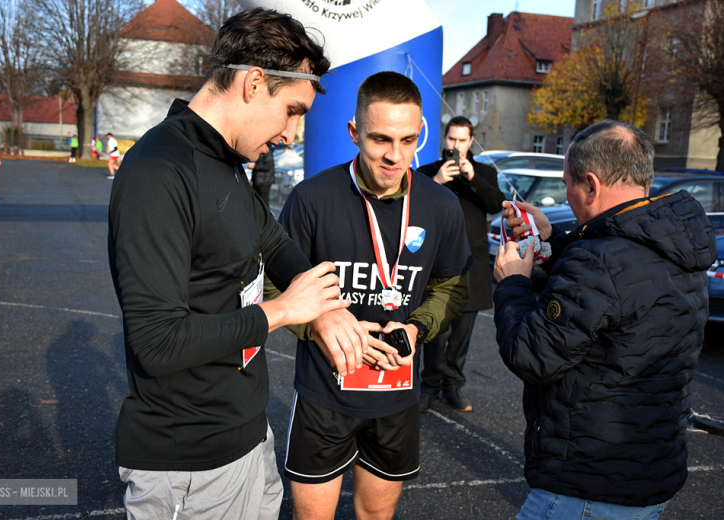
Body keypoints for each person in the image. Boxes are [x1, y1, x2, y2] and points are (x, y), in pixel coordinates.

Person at [108, 8, 370, 520]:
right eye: (293, 111)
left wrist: (324, 308)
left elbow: (273, 242)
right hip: (190, 463)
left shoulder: (225, 162)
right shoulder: (158, 174)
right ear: (253, 84)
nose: (291, 134)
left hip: (248, 437)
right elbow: (156, 343)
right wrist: (284, 311)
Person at [270, 71, 472, 520]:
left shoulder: (440, 205)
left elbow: (452, 285)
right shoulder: (312, 199)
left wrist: (418, 328)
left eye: (407, 140)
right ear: (354, 132)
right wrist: (319, 323)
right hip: (325, 395)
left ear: (421, 134)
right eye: (380, 139)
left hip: (397, 398)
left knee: (377, 515)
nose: (394, 156)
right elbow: (272, 282)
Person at [493, 120, 716, 519]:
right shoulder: (675, 244)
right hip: (649, 469)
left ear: (591, 185)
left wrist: (513, 283)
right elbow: (614, 292)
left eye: (568, 184)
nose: (566, 194)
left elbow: (530, 354)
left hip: (590, 483)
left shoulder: (598, 260)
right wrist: (550, 241)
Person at [417, 116, 504, 413]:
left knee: (462, 335)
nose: (456, 146)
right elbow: (412, 205)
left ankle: (453, 387)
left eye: (462, 140)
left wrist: (472, 177)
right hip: (436, 265)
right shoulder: (427, 172)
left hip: (472, 265)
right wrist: (438, 181)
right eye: (452, 139)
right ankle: (428, 387)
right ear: (444, 139)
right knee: (434, 333)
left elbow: (496, 204)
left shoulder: (484, 172)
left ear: (471, 142)